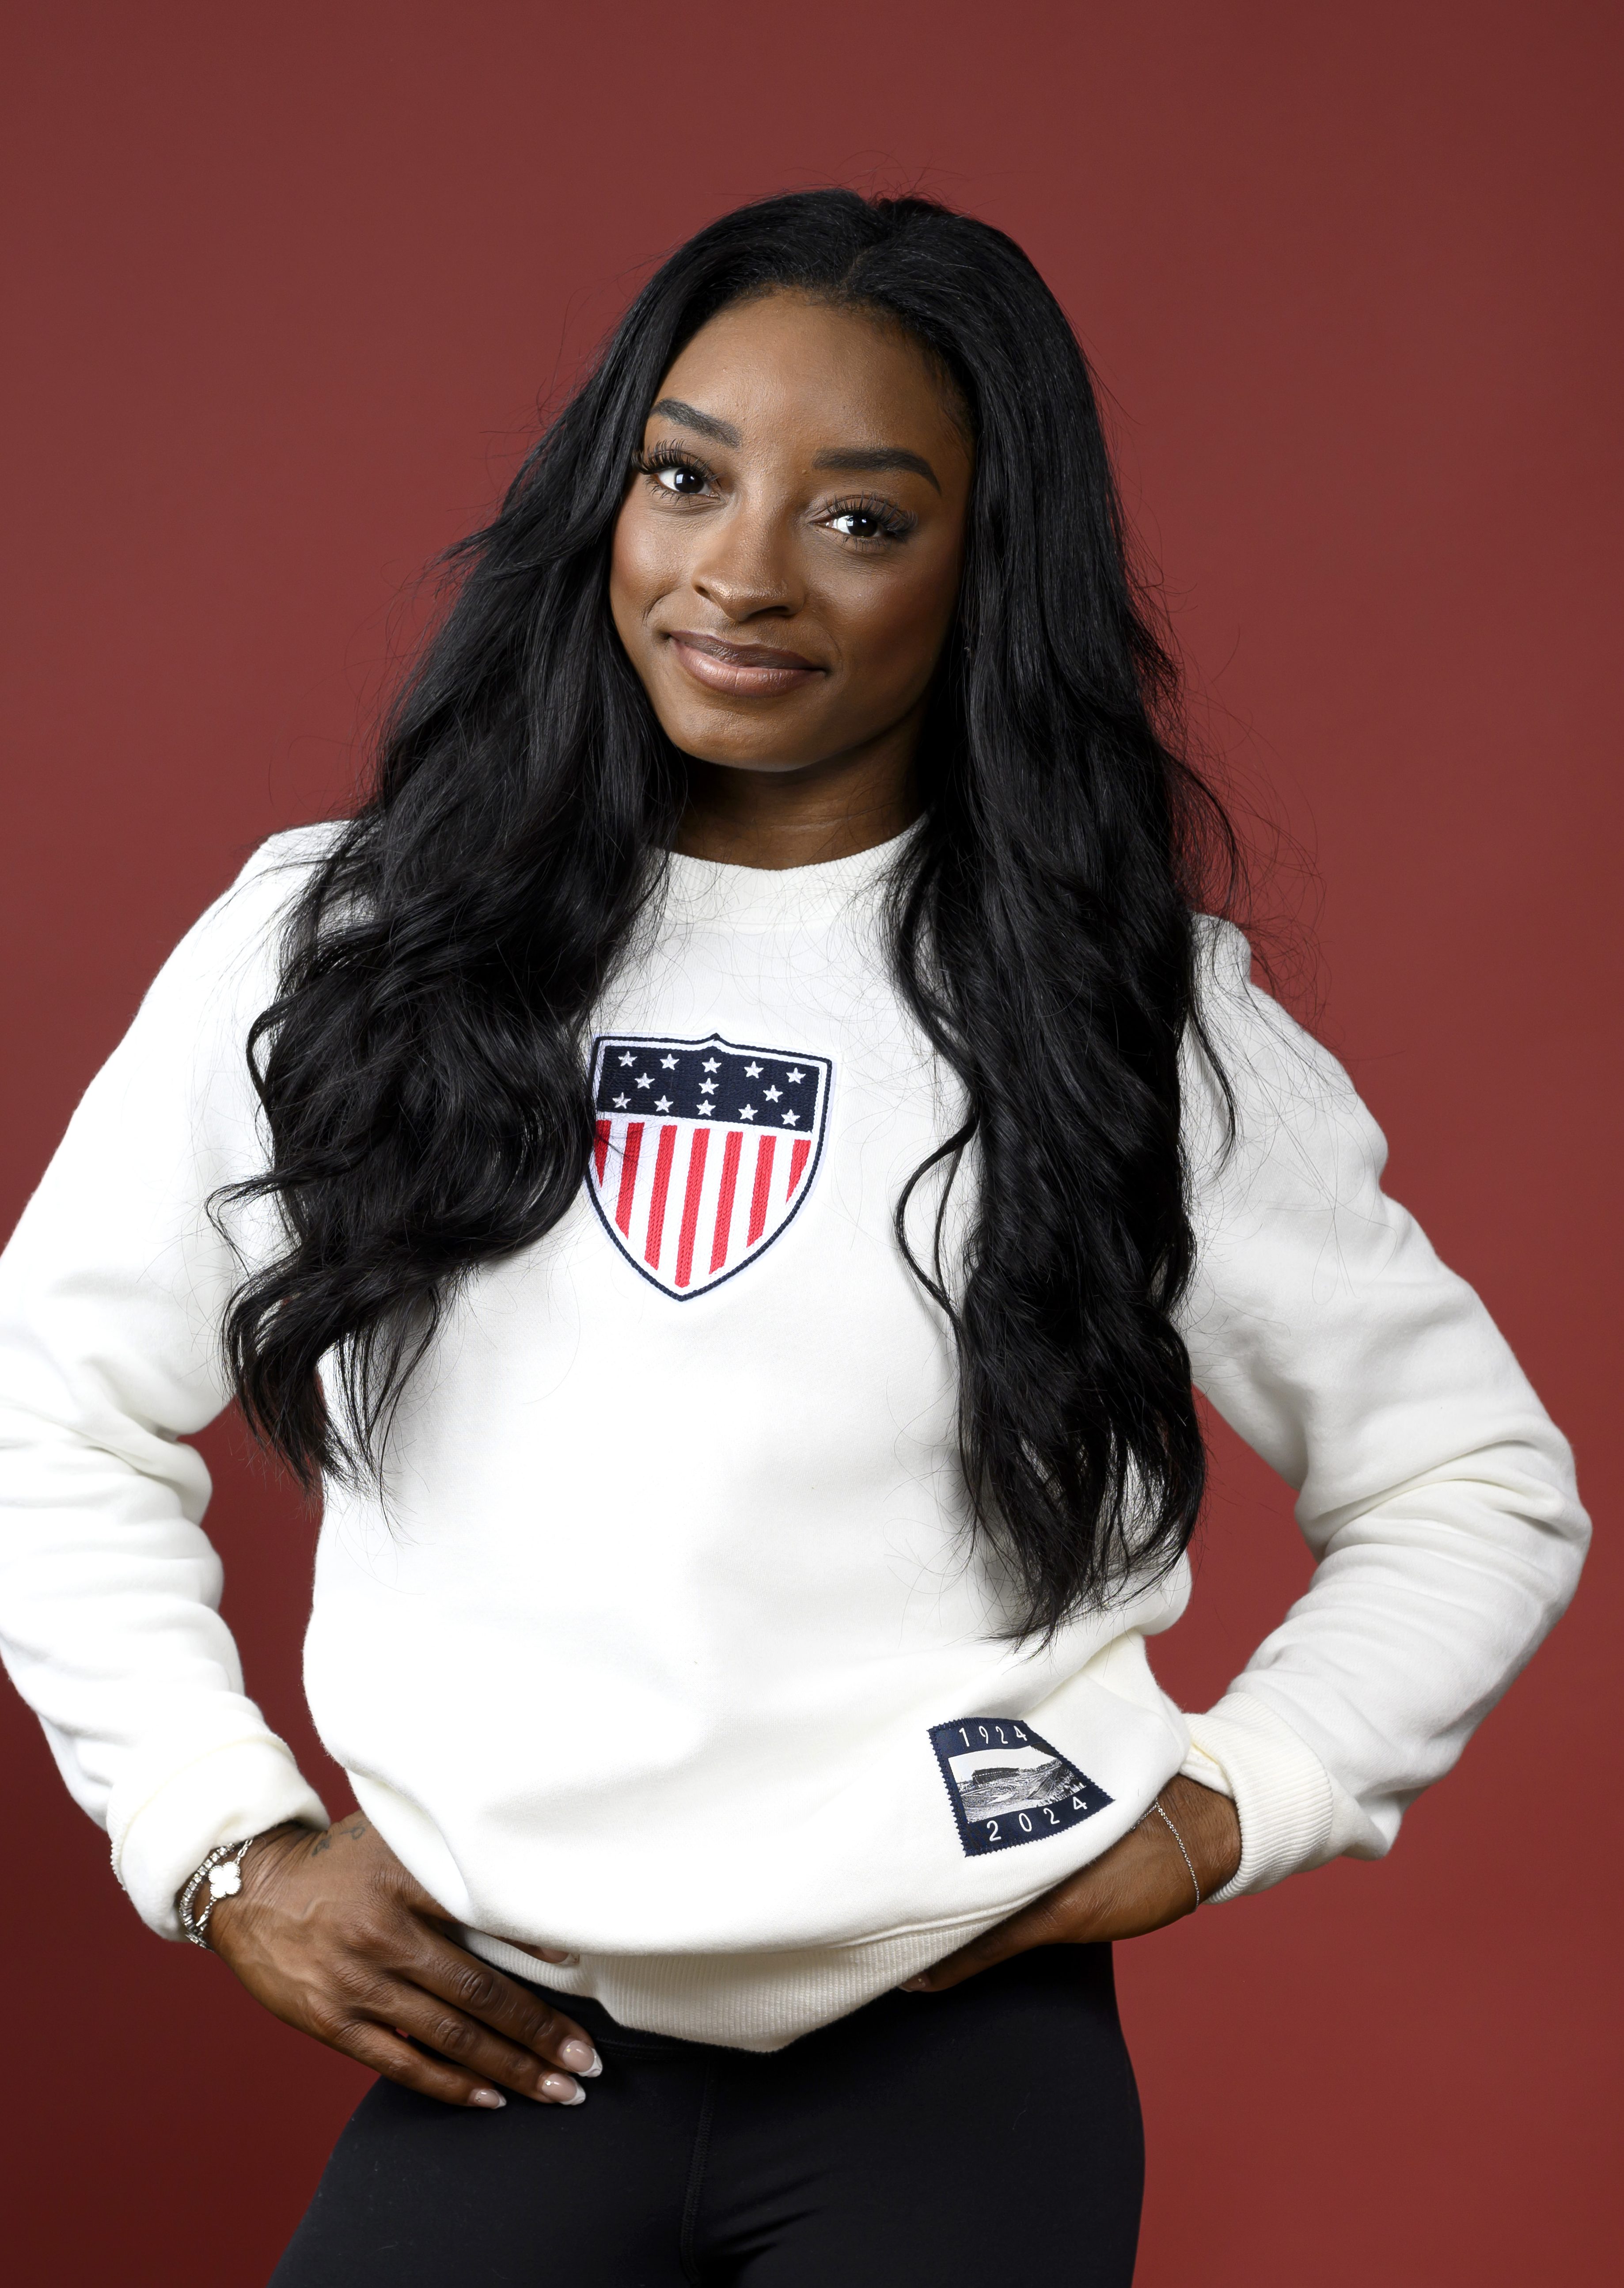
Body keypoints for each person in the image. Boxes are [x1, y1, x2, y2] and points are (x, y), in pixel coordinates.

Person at [0, 190, 1587, 2286]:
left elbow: (1476, 1481)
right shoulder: (344, 941)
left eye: (861, 516)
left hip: (954, 2083)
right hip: (505, 2042)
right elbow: (47, 1405)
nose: (738, 572)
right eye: (684, 477)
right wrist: (224, 1838)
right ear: (607, 502)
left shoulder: (1127, 1011)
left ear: (984, 571)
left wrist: (1238, 1798)